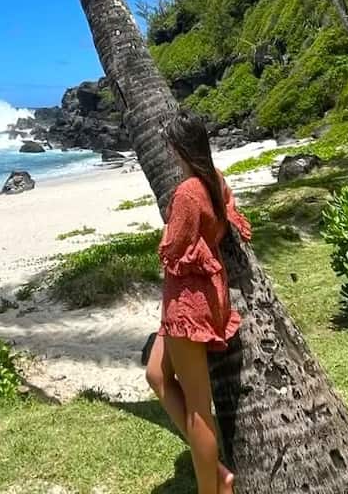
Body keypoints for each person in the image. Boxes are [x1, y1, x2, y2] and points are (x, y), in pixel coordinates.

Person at [145, 108, 252, 494]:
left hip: (188, 304)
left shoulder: (188, 192)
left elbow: (172, 249)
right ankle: (218, 472)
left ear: (177, 148)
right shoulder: (216, 180)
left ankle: (216, 488)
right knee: (156, 375)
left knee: (198, 410)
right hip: (200, 297)